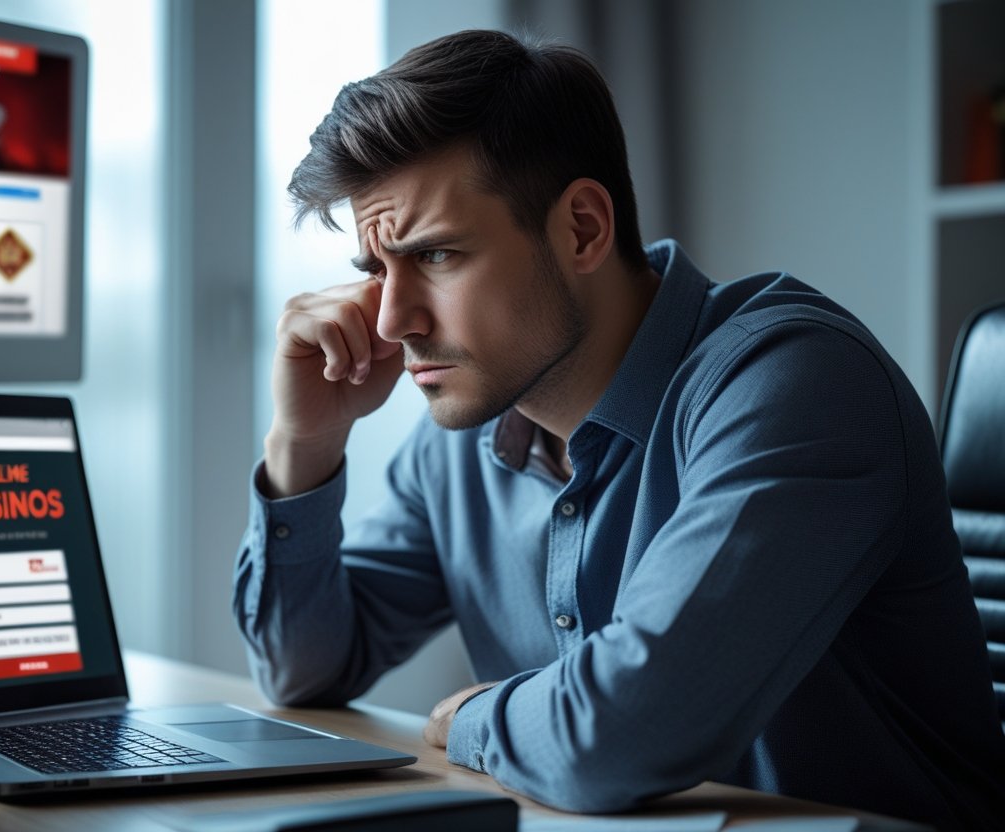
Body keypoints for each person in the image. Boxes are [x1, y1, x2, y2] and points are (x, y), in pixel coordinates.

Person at [232, 29, 1005, 830]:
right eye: (375, 271)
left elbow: (619, 735)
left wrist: (473, 718)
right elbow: (303, 670)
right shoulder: (465, 432)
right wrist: (306, 445)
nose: (393, 320)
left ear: (583, 230)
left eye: (436, 257)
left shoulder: (795, 382)